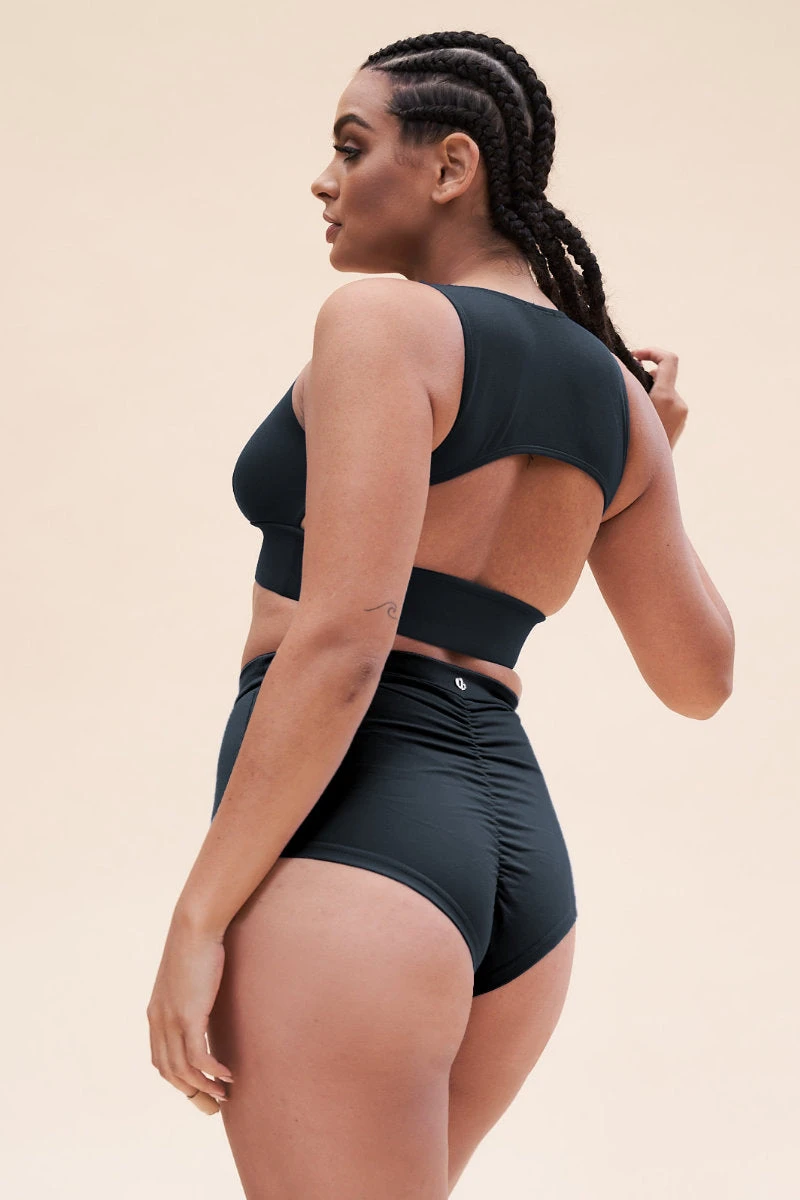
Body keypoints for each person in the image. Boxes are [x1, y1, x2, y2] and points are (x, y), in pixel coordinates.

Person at [146, 30, 735, 1197]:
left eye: (349, 146)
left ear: (450, 165)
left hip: (362, 831)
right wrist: (652, 460)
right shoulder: (613, 396)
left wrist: (196, 917)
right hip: (519, 866)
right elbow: (699, 680)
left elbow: (343, 644)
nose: (323, 180)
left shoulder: (385, 324)